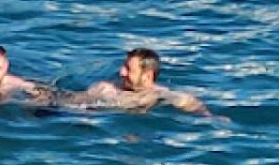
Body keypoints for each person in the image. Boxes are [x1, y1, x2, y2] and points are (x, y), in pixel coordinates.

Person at [80, 48, 212, 115]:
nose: (121, 72)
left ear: (147, 76)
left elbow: (190, 103)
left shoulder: (161, 96)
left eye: (128, 69)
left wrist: (211, 118)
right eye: (123, 66)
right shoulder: (105, 87)